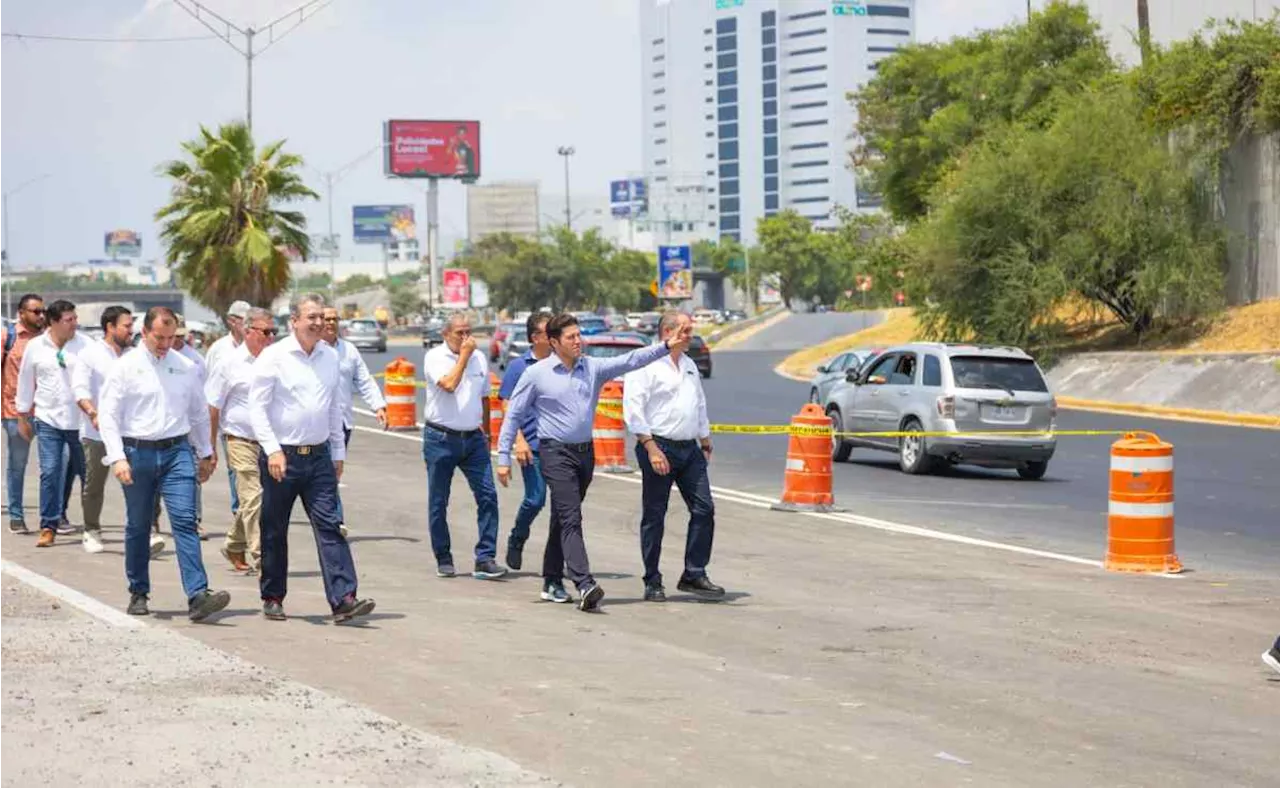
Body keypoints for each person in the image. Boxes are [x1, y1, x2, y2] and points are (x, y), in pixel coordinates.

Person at [497, 312, 692, 611]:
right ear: (553, 342)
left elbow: (632, 360)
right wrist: (504, 456)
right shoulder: (537, 374)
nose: (579, 341)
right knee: (571, 516)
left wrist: (665, 346)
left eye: (579, 335)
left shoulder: (592, 368)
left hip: (584, 454)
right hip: (554, 452)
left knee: (562, 517)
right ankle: (584, 583)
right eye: (571, 337)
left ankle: (551, 579)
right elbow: (513, 414)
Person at [249, 293, 374, 624]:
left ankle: (344, 598)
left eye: (322, 317)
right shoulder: (273, 357)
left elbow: (334, 407)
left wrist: (337, 451)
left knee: (331, 525)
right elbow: (257, 408)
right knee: (274, 528)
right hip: (282, 458)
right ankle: (273, 596)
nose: (319, 323)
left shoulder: (330, 357)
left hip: (318, 457)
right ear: (294, 321)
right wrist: (272, 449)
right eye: (311, 317)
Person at [97, 307, 229, 621]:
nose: (166, 344)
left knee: (184, 520)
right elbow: (109, 416)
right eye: (160, 337)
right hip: (136, 453)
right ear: (144, 333)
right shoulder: (125, 367)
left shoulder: (185, 366)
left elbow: (198, 413)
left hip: (176, 452)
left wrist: (206, 452)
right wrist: (117, 457)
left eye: (171, 338)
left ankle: (198, 594)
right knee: (139, 525)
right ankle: (138, 591)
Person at [623, 311, 724, 602]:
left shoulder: (690, 365)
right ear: (668, 332)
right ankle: (652, 579)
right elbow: (633, 409)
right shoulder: (645, 363)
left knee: (704, 509)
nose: (691, 336)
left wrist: (705, 439)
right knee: (655, 515)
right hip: (658, 446)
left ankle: (694, 573)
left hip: (689, 449)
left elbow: (699, 404)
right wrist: (650, 447)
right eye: (686, 330)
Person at [72, 305, 166, 557]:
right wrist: (93, 413)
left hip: (132, 435)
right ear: (110, 327)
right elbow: (80, 390)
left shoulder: (136, 355)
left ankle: (147, 531)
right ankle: (91, 530)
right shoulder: (89, 354)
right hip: (97, 434)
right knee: (94, 485)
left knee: (144, 483)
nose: (131, 330)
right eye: (126, 325)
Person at [421, 314, 505, 581]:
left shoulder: (479, 358)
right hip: (441, 438)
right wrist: (464, 357)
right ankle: (443, 557)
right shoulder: (435, 357)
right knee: (438, 501)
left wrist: (488, 434)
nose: (466, 338)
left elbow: (484, 397)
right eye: (460, 332)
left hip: (473, 440)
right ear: (446, 334)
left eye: (469, 332)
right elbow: (448, 385)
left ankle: (485, 557)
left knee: (488, 496)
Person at [206, 307, 276, 575]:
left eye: (273, 332)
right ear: (248, 331)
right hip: (240, 440)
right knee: (254, 496)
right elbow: (213, 407)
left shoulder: (276, 360)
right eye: (265, 332)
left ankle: (235, 543)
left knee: (259, 499)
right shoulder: (228, 363)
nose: (270, 338)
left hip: (270, 443)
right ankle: (264, 561)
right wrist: (209, 447)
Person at [15, 299, 88, 547]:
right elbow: (25, 382)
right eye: (69, 320)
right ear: (54, 322)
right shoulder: (35, 347)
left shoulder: (86, 345)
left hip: (80, 422)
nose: (74, 324)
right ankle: (48, 526)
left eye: (75, 319)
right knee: (50, 472)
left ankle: (93, 526)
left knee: (88, 475)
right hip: (48, 420)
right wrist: (22, 416)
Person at [320, 306, 387, 537]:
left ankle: (328, 517)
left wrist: (378, 405)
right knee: (326, 473)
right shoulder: (312, 350)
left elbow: (364, 380)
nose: (330, 323)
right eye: (326, 319)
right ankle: (334, 521)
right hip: (317, 424)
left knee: (332, 473)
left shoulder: (349, 351)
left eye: (334, 319)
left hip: (342, 423)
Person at [497, 311, 551, 578]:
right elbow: (507, 404)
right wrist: (518, 440)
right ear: (534, 337)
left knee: (566, 508)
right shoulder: (520, 366)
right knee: (535, 499)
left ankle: (559, 558)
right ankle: (517, 537)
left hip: (561, 446)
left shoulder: (561, 362)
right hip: (532, 445)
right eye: (547, 331)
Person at [205, 300, 251, 527]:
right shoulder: (219, 351)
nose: (249, 325)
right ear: (232, 321)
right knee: (237, 473)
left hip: (259, 426)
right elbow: (211, 393)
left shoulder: (262, 347)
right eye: (245, 320)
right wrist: (209, 440)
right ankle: (240, 517)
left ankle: (246, 519)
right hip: (229, 426)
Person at [2, 294, 46, 534]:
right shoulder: (7, 338)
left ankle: (53, 516)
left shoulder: (48, 339)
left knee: (54, 466)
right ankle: (16, 515)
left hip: (47, 413)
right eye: (35, 311)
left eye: (42, 311)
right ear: (21, 313)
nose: (41, 315)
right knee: (17, 465)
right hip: (15, 412)